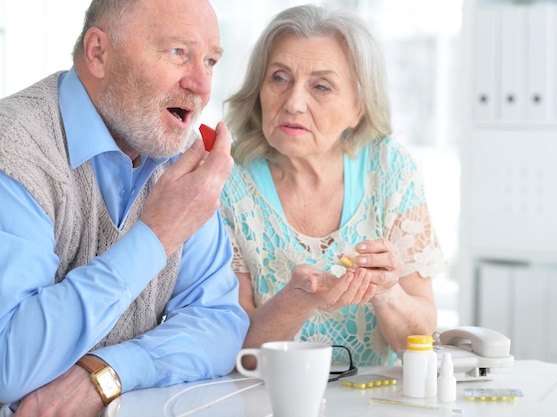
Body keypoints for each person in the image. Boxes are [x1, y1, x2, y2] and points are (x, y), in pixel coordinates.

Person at [0, 0, 249, 416]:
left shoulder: (179, 156)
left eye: (209, 61)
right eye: (177, 53)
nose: (202, 85)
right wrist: (157, 236)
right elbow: (8, 361)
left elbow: (221, 323)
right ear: (99, 52)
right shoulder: (14, 151)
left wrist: (107, 372)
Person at [220, 4, 446, 368]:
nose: (293, 102)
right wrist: (297, 299)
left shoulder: (390, 170)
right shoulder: (227, 180)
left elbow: (416, 343)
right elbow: (235, 354)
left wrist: (387, 293)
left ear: (359, 107)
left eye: (321, 86)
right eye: (279, 78)